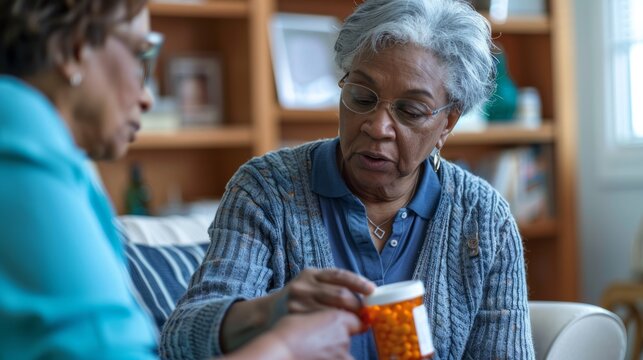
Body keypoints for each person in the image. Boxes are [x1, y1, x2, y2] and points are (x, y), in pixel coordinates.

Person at [161, 0, 536, 359]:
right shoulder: (266, 191)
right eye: (361, 97)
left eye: (410, 111)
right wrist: (268, 312)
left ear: (447, 123)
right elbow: (179, 341)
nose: (377, 127)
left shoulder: (484, 220)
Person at [0, 1, 364, 359]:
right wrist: (285, 348)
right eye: (143, 56)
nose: (147, 97)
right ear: (74, 49)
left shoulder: (54, 153)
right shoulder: (21, 140)